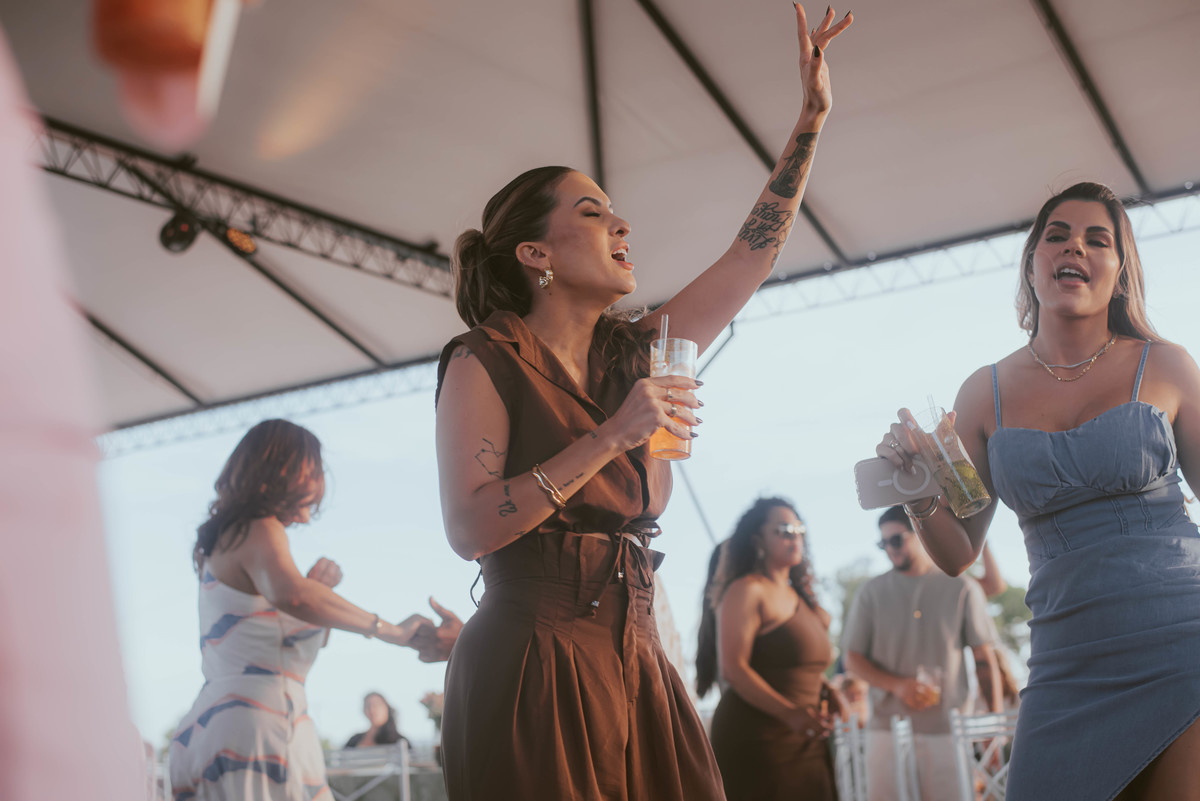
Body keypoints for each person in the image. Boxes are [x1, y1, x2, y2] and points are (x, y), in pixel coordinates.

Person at [432, 6, 854, 798]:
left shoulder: (638, 349)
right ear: (535, 253)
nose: (622, 223)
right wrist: (611, 435)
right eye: (592, 213)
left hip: (635, 642)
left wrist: (810, 123)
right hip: (533, 653)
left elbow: (753, 254)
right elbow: (469, 527)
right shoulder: (485, 357)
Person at [877, 181, 1200, 800]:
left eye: (1096, 239)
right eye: (1057, 236)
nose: (1074, 246)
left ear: (1120, 272)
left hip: (1183, 643)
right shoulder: (984, 392)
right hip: (1064, 664)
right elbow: (958, 553)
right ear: (1032, 265)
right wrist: (916, 490)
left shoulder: (1166, 365)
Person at [168, 419, 430, 801]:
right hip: (259, 728)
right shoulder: (260, 527)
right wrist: (392, 631)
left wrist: (317, 591)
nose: (320, 482)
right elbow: (294, 595)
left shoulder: (228, 540)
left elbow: (286, 628)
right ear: (284, 472)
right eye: (313, 470)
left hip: (220, 727)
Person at [841, 506, 999, 801]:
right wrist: (898, 686)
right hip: (885, 730)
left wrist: (993, 724)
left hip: (947, 732)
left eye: (896, 540)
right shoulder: (870, 592)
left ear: (919, 532)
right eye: (883, 543)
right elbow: (852, 659)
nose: (890, 549)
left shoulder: (963, 586)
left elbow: (984, 660)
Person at [699, 498, 842, 801]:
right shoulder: (747, 590)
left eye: (799, 529)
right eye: (784, 530)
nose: (794, 536)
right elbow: (733, 669)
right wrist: (790, 714)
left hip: (806, 738)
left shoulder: (801, 597)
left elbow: (795, 667)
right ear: (758, 540)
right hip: (759, 740)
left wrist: (829, 690)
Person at [345, 692, 409, 749]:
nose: (372, 710)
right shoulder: (354, 740)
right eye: (368, 706)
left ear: (387, 708)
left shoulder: (399, 741)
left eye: (376, 705)